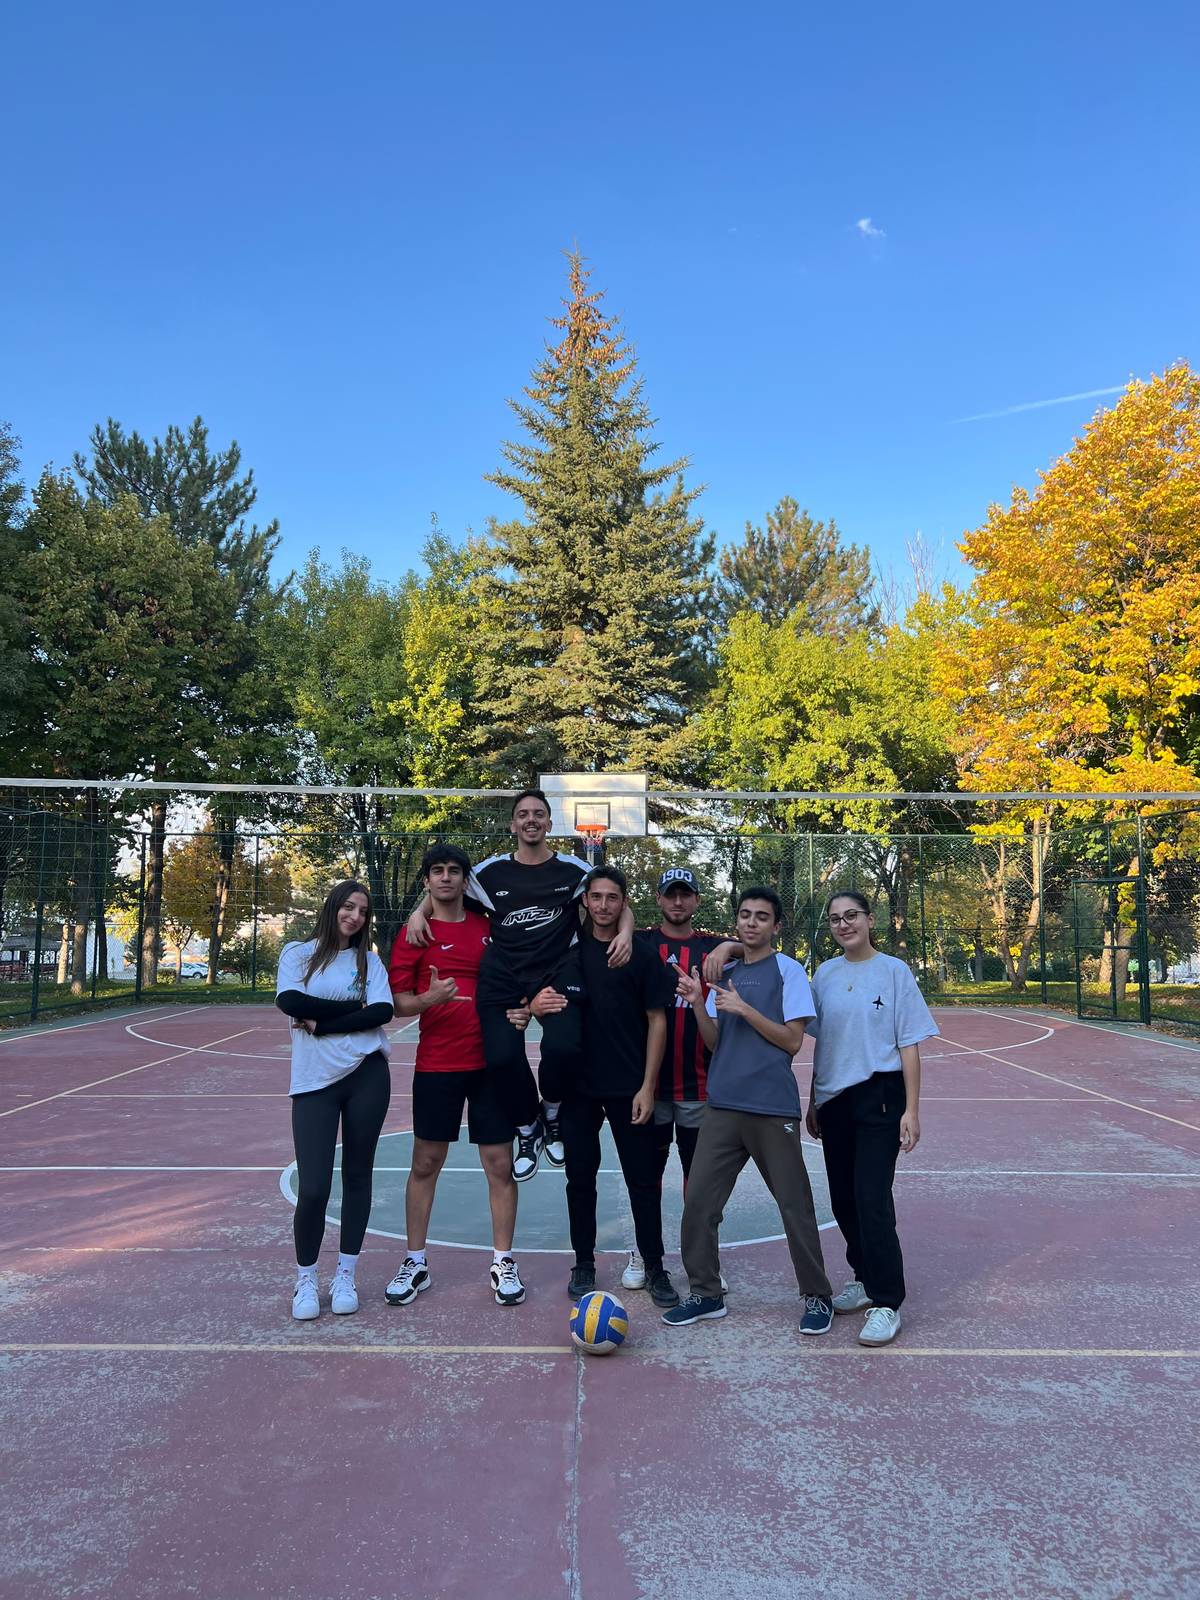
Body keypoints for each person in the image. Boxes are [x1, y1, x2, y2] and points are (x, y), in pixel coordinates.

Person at [406, 789, 634, 1184]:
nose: (531, 820)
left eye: (539, 814)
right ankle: (528, 1127)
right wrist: (418, 913)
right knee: (499, 1057)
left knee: (564, 1048)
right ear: (513, 824)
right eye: (523, 814)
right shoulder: (490, 872)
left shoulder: (574, 870)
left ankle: (552, 1112)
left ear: (549, 823)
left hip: (558, 972)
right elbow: (448, 888)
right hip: (505, 975)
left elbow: (617, 900)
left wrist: (626, 933)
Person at [663, 886, 833, 1335]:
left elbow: (792, 1041)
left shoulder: (789, 971)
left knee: (794, 1206)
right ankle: (706, 1293)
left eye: (761, 916)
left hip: (771, 1107)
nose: (751, 922)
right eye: (744, 915)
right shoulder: (727, 973)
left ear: (775, 926)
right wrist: (699, 1005)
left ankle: (817, 1295)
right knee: (699, 1204)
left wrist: (744, 1009)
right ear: (736, 921)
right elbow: (715, 1043)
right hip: (723, 1105)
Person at [385, 844, 531, 1308]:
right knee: (425, 1163)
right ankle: (415, 1262)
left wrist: (523, 1010)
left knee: (499, 1165)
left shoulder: (489, 927)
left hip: (490, 1065)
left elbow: (518, 983)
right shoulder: (415, 933)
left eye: (453, 870)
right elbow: (397, 1003)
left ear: (465, 880)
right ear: (427, 880)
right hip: (437, 1064)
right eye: (437, 871)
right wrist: (428, 1000)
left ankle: (503, 1261)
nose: (445, 877)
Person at [533, 865, 681, 1310]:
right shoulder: (566, 954)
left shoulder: (639, 955)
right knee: (580, 1179)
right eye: (595, 897)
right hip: (579, 1090)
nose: (603, 905)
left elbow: (658, 1021)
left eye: (612, 897)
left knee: (643, 1181)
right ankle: (584, 1262)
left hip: (628, 1088)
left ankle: (654, 1265)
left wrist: (648, 1086)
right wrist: (533, 1005)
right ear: (585, 902)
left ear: (623, 903)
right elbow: (538, 1002)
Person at [806, 889, 937, 1346]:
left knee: (871, 1198)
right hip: (834, 1099)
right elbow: (825, 1043)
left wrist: (912, 1110)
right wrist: (814, 1099)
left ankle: (886, 1301)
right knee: (843, 1199)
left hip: (880, 1096)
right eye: (835, 919)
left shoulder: (894, 971)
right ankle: (863, 1277)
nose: (844, 925)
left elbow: (909, 1044)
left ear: (869, 919)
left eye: (852, 916)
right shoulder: (824, 975)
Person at [275, 880, 395, 1321]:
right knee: (314, 1188)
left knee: (358, 1177)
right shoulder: (297, 954)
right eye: (348, 907)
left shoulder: (369, 962)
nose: (355, 917)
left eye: (363, 911)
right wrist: (354, 1010)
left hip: (367, 1075)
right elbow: (291, 1001)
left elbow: (382, 1012)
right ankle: (306, 1278)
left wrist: (322, 1023)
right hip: (314, 1082)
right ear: (332, 907)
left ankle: (346, 1274)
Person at [621, 866, 727, 1294]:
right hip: (648, 1087)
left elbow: (757, 944)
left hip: (699, 1088)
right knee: (645, 1178)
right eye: (671, 894)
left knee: (698, 1183)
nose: (678, 901)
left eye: (685, 894)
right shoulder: (641, 942)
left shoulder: (712, 947)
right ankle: (644, 1252)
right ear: (659, 899)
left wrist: (730, 946)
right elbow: (602, 920)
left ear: (697, 900)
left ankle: (703, 1258)